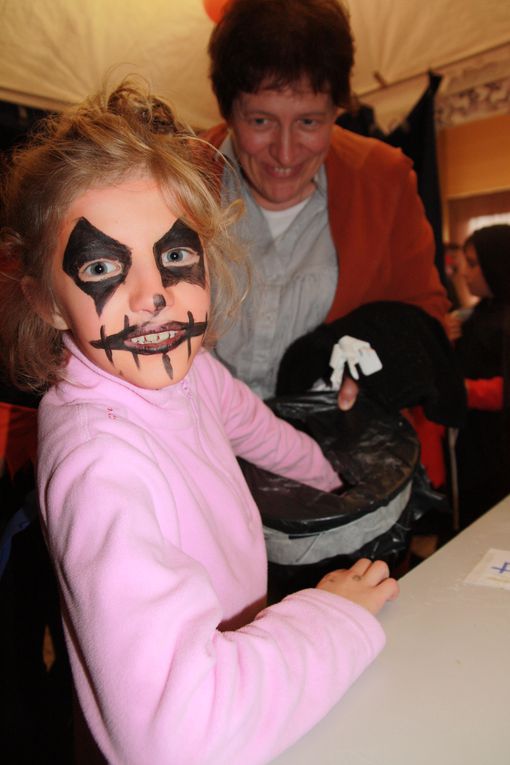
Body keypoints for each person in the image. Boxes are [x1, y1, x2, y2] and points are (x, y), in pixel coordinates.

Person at [0, 82, 399, 765]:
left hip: (245, 681)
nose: (153, 294)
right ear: (47, 300)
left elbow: (256, 428)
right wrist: (331, 616)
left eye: (176, 256)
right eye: (101, 266)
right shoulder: (100, 467)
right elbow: (177, 732)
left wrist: (336, 480)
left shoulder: (186, 368)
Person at [204, 0, 450, 405]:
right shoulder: (180, 178)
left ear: (337, 111)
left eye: (309, 122)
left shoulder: (384, 180)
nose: (285, 154)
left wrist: (377, 364)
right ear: (228, 110)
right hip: (195, 449)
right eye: (260, 121)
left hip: (324, 452)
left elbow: (425, 314)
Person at [453, 224, 510, 526]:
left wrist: (459, 390)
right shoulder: (481, 312)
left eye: (473, 264)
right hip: (477, 438)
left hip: (499, 445)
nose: (464, 273)